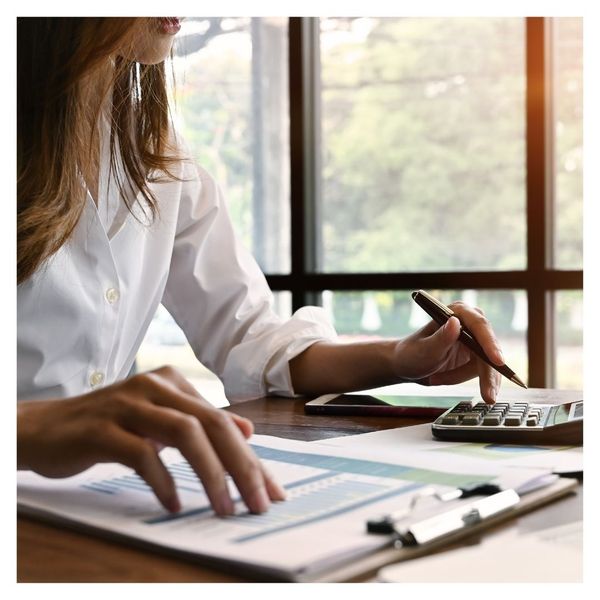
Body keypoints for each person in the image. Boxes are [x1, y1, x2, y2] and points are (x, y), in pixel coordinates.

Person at [17, 17, 505, 517]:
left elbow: (251, 340)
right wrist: (28, 428)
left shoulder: (156, 157)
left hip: (91, 508)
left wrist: (402, 358)